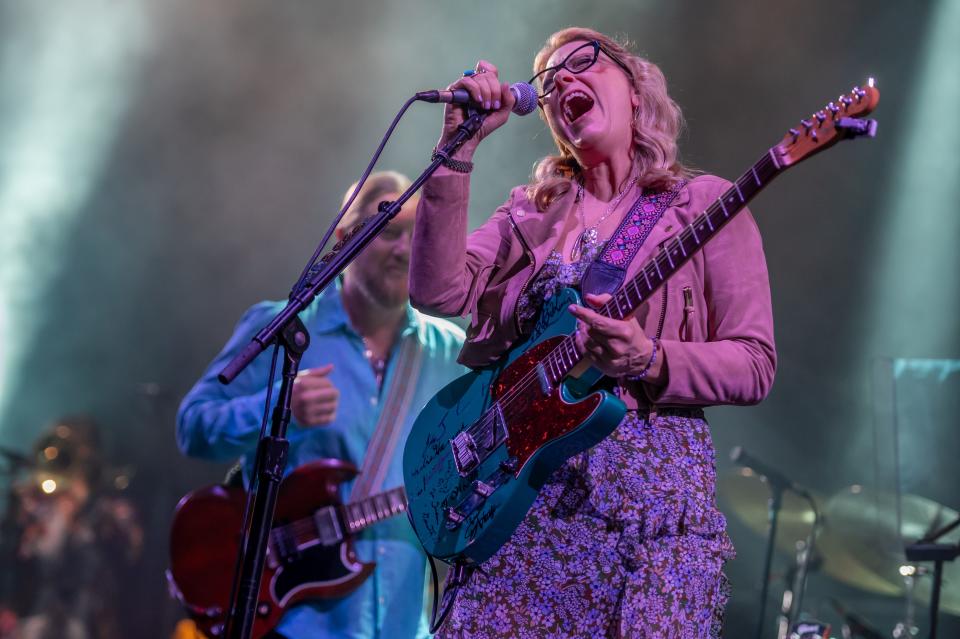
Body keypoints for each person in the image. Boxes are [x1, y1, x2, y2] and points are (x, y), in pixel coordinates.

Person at [409, 27, 776, 638]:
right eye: (549, 83)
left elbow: (755, 362)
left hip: (647, 517)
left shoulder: (702, 206)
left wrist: (650, 356)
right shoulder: (527, 213)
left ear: (635, 91)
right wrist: (456, 151)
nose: (563, 83)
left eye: (583, 64)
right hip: (521, 505)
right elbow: (437, 292)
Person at [176, 171, 466, 639]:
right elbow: (193, 425)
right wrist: (275, 406)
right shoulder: (284, 328)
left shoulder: (451, 351)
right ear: (343, 235)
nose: (403, 249)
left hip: (402, 624)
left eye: (418, 235)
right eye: (387, 230)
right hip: (295, 623)